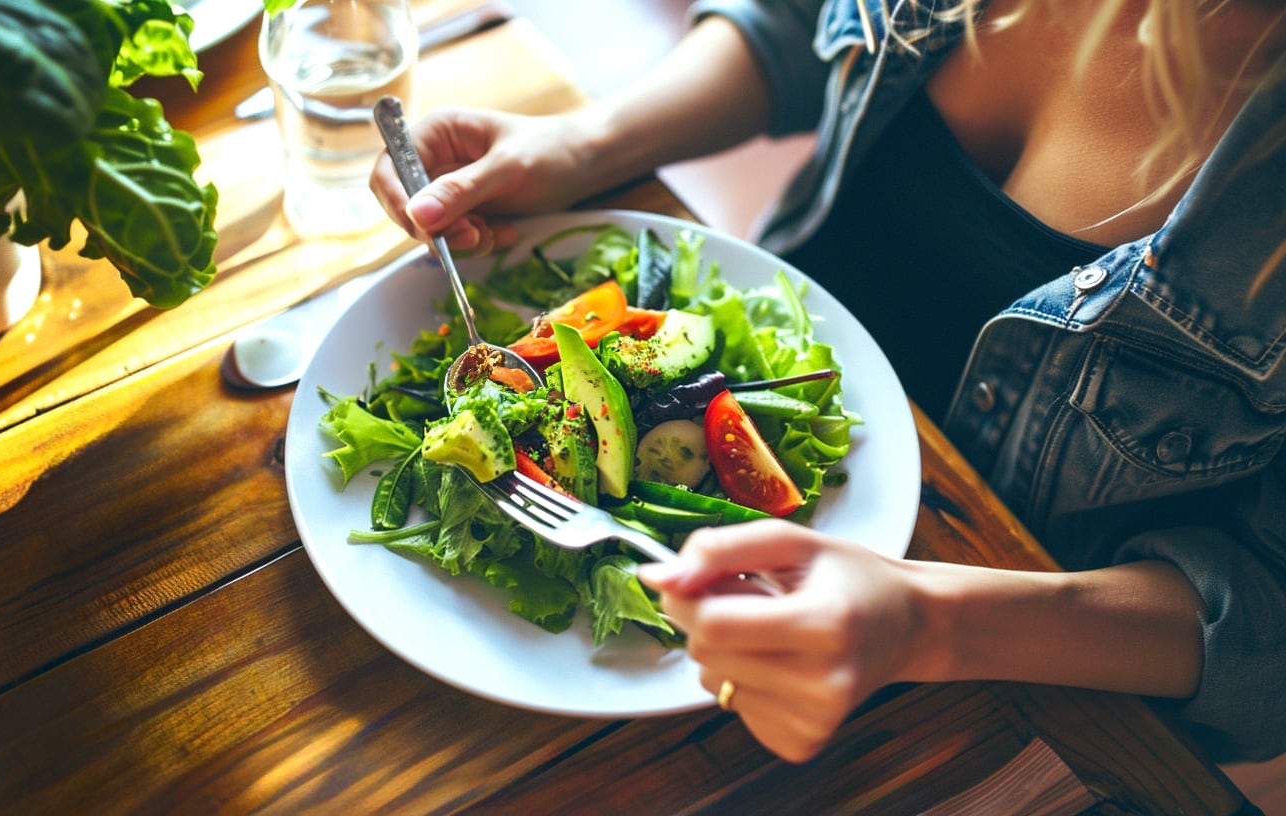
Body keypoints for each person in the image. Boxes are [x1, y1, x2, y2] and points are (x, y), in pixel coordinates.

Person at [369, 0, 1286, 764]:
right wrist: (584, 143)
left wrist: (929, 624)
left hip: (1022, 681)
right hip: (780, 389)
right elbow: (801, 21)